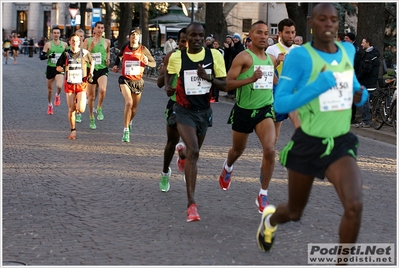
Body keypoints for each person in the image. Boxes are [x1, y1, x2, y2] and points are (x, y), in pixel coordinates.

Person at [257, 3, 369, 256]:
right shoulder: (300, 56)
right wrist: (316, 86)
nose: (328, 23)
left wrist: (359, 95)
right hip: (308, 142)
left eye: (333, 19)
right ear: (311, 22)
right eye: (322, 19)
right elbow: (281, 103)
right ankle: (270, 221)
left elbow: (354, 89)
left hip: (339, 143)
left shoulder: (347, 51)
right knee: (294, 212)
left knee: (354, 205)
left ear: (338, 24)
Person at [164, 22, 226, 222]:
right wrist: (168, 87)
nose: (197, 39)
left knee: (192, 153)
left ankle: (181, 154)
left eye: (201, 35)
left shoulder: (214, 56)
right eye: (193, 36)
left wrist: (207, 77)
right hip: (183, 111)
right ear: (187, 37)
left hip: (204, 112)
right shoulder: (177, 57)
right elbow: (168, 76)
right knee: (195, 152)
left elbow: (223, 85)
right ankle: (191, 204)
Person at [218, 20, 278, 215]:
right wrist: (251, 79)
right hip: (243, 111)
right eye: (259, 32)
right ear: (250, 36)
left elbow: (274, 80)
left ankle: (263, 193)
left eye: (266, 33)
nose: (263, 36)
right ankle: (228, 167)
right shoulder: (243, 57)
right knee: (237, 150)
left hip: (264, 110)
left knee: (270, 150)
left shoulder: (270, 59)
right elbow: (228, 84)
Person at [156, 27, 187, 192]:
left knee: (192, 144)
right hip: (175, 104)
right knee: (171, 142)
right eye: (183, 41)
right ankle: (165, 172)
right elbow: (160, 83)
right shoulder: (172, 56)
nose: (186, 44)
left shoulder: (202, 57)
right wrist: (167, 79)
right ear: (178, 42)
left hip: (195, 107)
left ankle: (183, 156)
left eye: (189, 40)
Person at [112, 28, 156, 142]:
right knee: (129, 103)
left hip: (137, 81)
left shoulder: (143, 49)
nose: (134, 37)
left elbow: (153, 63)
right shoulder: (125, 47)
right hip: (125, 80)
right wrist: (116, 65)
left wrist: (147, 62)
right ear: (129, 37)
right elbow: (119, 56)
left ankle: (130, 121)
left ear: (139, 37)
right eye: (132, 35)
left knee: (134, 109)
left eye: (136, 35)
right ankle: (126, 131)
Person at [266, 18, 301, 145]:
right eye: (287, 32)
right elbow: (268, 72)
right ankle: (267, 160)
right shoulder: (272, 50)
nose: (290, 35)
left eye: (292, 32)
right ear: (279, 33)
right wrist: (277, 62)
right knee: (274, 137)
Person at [55, 33, 95, 140]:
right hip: (69, 84)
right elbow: (58, 67)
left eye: (77, 41)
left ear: (80, 42)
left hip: (81, 84)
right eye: (73, 41)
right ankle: (73, 130)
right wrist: (64, 69)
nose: (75, 43)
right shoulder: (66, 54)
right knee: (71, 109)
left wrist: (91, 73)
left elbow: (92, 62)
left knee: (81, 109)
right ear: (69, 42)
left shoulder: (85, 53)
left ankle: (79, 103)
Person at [83, 21, 111, 130]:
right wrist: (90, 48)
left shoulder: (107, 41)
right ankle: (91, 117)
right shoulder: (87, 40)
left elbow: (108, 52)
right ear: (94, 29)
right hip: (91, 70)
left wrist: (108, 59)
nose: (100, 30)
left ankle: (99, 107)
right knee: (91, 97)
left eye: (102, 28)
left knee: (103, 90)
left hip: (102, 69)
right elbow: (83, 57)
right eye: (98, 27)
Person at [40, 26, 68, 115]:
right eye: (54, 33)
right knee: (50, 89)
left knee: (59, 86)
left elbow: (68, 56)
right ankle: (50, 104)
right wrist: (49, 56)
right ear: (52, 34)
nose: (56, 35)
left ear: (60, 34)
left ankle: (58, 95)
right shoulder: (48, 44)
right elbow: (41, 57)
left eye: (57, 33)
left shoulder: (64, 45)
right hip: (50, 68)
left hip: (59, 68)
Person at [355, 37, 380, 128]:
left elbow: (366, 70)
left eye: (363, 42)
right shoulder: (372, 54)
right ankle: (368, 119)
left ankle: (366, 121)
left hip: (367, 82)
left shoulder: (369, 56)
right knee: (367, 101)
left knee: (365, 102)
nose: (361, 44)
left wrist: (359, 77)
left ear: (368, 43)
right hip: (370, 81)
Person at [345, 32, 364, 124]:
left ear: (351, 39)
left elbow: (355, 64)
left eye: (347, 39)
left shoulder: (356, 49)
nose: (345, 40)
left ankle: (352, 117)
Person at [74, 29, 87, 124]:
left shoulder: (86, 47)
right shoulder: (72, 47)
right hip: (73, 74)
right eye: (78, 35)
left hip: (83, 74)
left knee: (81, 94)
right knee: (75, 94)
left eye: (81, 36)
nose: (80, 37)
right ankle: (75, 109)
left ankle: (78, 113)